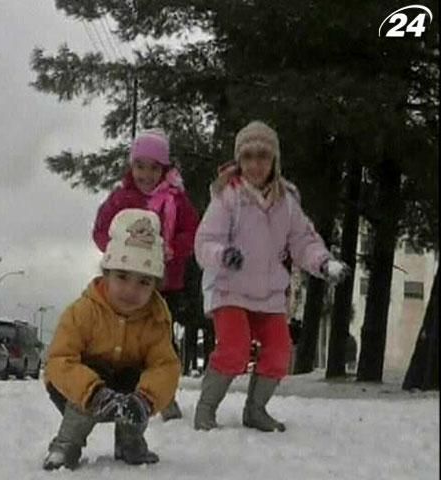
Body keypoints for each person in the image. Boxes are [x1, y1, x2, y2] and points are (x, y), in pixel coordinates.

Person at [193, 120, 348, 432]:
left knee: (279, 350)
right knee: (234, 350)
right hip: (230, 289)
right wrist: (224, 255)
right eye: (247, 156)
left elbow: (303, 242)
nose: (255, 164)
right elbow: (204, 241)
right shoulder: (228, 196)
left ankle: (256, 409)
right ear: (239, 160)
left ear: (274, 159)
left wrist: (324, 263)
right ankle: (206, 408)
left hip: (269, 294)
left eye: (262, 156)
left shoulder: (286, 202)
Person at [43, 208, 180, 470]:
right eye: (122, 276)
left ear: (155, 286)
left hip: (128, 389)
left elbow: (165, 365)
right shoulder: (82, 311)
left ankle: (130, 441)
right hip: (79, 390)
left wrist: (147, 400)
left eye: (144, 282)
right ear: (106, 275)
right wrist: (93, 392)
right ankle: (66, 443)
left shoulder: (156, 320)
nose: (131, 289)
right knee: (90, 377)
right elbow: (59, 359)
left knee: (140, 382)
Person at [92, 129, 199, 421]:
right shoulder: (121, 199)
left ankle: (164, 394)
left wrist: (172, 248)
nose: (146, 174)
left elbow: (192, 232)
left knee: (160, 340)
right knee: (127, 338)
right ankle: (125, 389)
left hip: (165, 282)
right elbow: (101, 231)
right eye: (140, 166)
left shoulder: (176, 200)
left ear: (164, 169)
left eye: (154, 168)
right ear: (131, 166)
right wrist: (118, 254)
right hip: (126, 284)